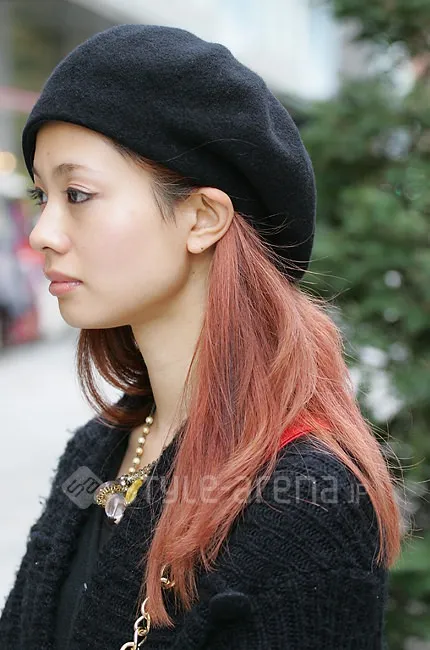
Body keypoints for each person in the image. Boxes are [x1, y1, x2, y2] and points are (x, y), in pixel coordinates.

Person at [0, 24, 402, 650]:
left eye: (77, 194)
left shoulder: (308, 506)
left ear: (202, 218)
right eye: (41, 195)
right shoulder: (95, 453)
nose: (42, 232)